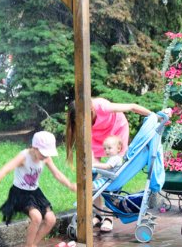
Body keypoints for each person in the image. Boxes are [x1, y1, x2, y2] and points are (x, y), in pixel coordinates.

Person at [0, 131, 76, 247]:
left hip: (35, 192)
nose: (45, 156)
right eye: (43, 153)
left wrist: (70, 185)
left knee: (51, 219)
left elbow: (57, 174)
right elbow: (5, 169)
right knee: (36, 217)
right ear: (34, 147)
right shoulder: (24, 157)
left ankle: (33, 245)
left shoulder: (46, 158)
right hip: (20, 193)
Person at [64, 97, 152, 231]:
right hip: (96, 136)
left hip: (116, 131)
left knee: (113, 175)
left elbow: (132, 106)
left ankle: (109, 217)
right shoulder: (81, 120)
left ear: (91, 110)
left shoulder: (102, 107)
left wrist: (154, 116)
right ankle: (99, 215)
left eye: (84, 120)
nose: (82, 124)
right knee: (91, 175)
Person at [91, 135, 125, 233]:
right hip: (107, 180)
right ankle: (99, 215)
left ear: (118, 148)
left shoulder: (116, 158)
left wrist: (93, 165)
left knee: (90, 187)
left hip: (108, 181)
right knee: (93, 190)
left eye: (109, 148)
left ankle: (102, 216)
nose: (107, 151)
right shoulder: (114, 158)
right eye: (105, 148)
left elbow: (107, 166)